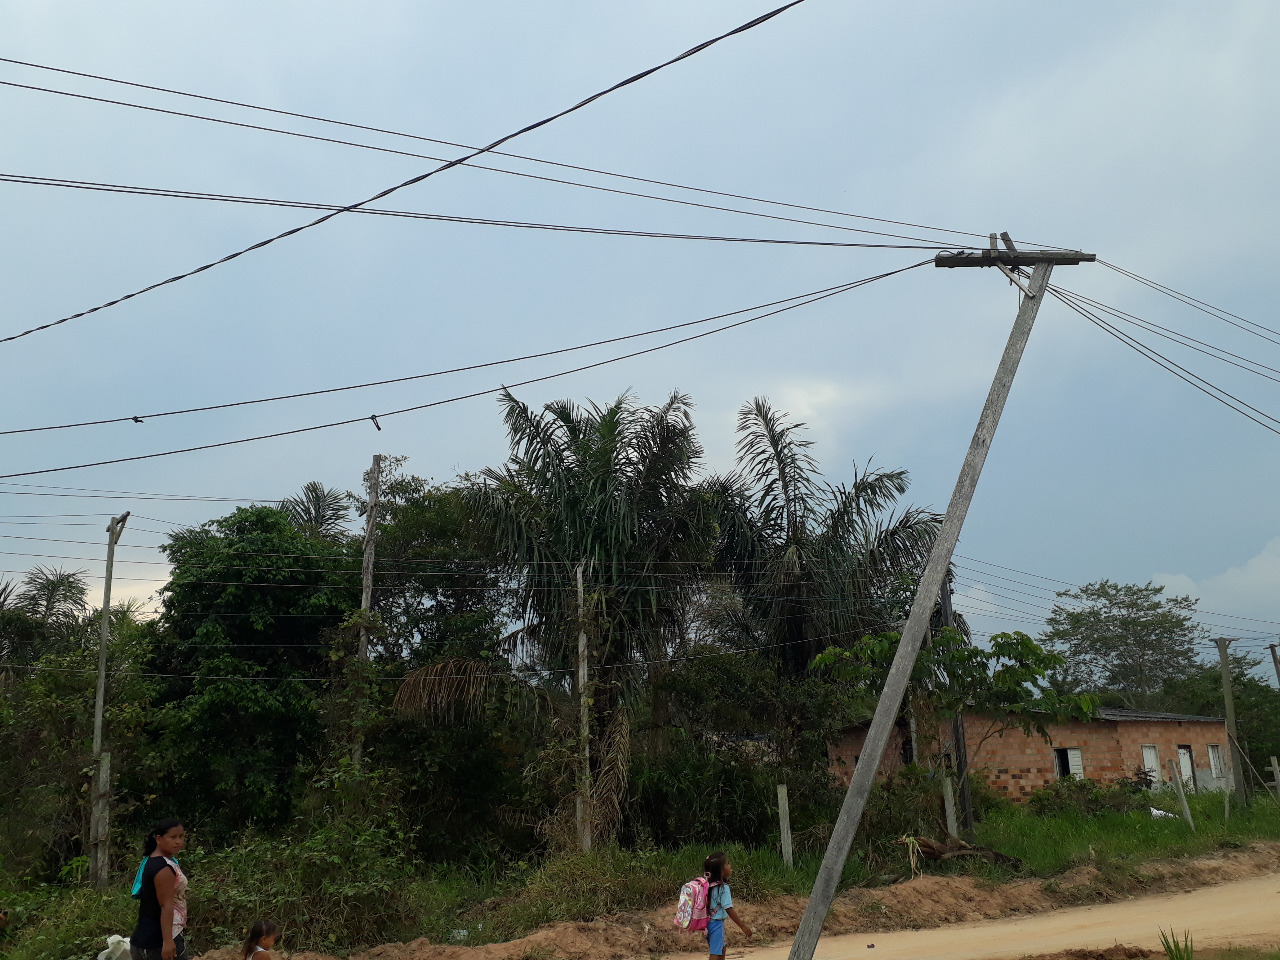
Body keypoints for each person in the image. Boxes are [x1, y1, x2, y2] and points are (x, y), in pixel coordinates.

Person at [130, 819, 189, 960]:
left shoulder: (153, 861)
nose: (178, 842)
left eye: (181, 836)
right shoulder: (163, 868)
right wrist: (168, 942)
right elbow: (166, 906)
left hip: (144, 939)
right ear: (158, 839)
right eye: (173, 837)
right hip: (159, 943)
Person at [703, 851, 751, 960]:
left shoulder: (708, 885)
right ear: (721, 871)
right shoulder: (723, 888)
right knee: (715, 953)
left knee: (722, 948)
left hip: (707, 923)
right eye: (727, 863)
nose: (730, 865)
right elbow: (729, 909)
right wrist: (743, 926)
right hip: (716, 924)